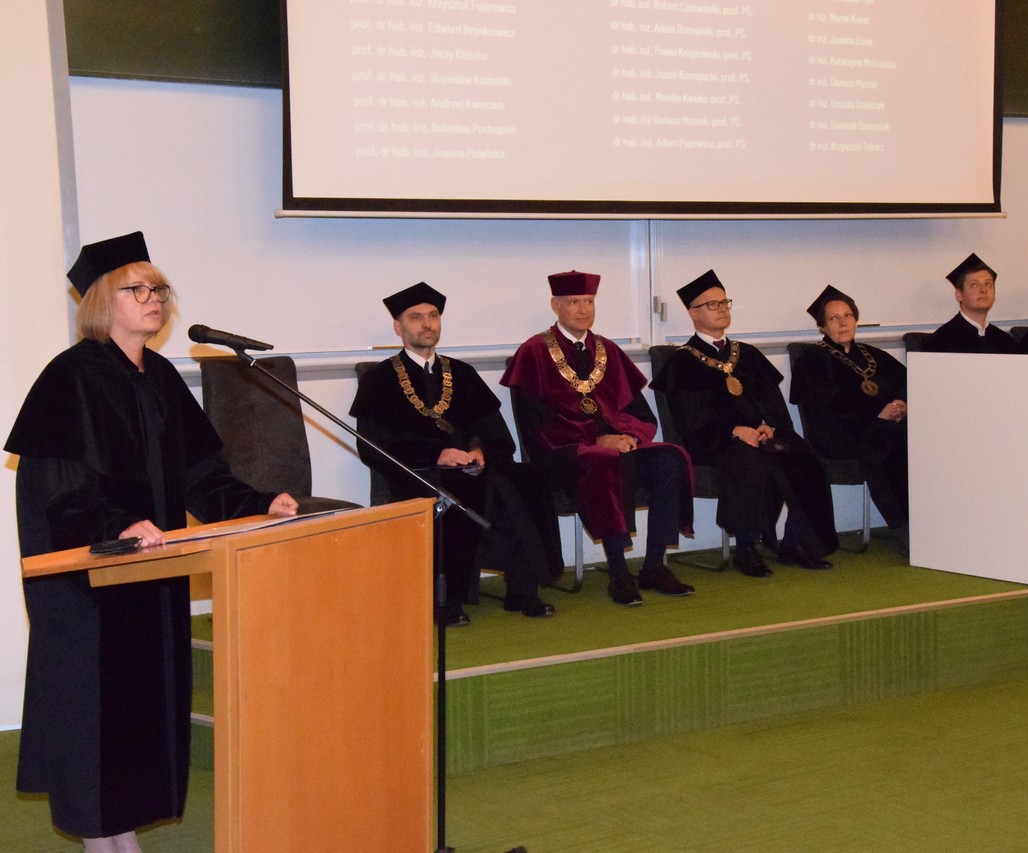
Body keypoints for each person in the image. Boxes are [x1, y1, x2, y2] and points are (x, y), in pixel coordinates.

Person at [5, 232, 298, 852]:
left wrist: (256, 504)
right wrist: (115, 525)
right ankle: (99, 838)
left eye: (158, 288)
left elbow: (200, 473)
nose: (154, 298)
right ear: (100, 302)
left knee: (144, 702)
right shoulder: (69, 377)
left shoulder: (160, 376)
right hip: (90, 582)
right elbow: (55, 487)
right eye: (136, 289)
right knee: (96, 706)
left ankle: (125, 831)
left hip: (152, 569)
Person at [349, 281, 558, 624]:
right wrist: (436, 455)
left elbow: (497, 435)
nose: (427, 324)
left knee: (528, 479)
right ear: (398, 327)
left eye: (433, 316)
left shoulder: (462, 373)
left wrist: (479, 451)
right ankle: (446, 599)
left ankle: (523, 588)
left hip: (473, 468)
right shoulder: (379, 379)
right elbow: (373, 447)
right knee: (458, 489)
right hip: (418, 472)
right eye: (416, 317)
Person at [500, 270, 695, 606]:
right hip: (563, 455)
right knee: (602, 460)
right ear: (555, 305)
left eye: (589, 302)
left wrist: (627, 436)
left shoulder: (608, 350)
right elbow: (536, 428)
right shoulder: (534, 352)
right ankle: (619, 573)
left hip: (614, 448)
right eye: (574, 302)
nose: (583, 309)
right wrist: (595, 441)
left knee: (670, 458)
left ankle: (653, 566)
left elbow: (641, 413)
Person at [650, 270, 839, 576]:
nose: (722, 309)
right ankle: (746, 547)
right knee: (751, 462)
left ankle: (796, 542)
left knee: (805, 456)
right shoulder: (682, 362)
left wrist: (769, 426)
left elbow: (773, 404)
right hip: (713, 442)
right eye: (712, 304)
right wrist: (733, 431)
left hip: (759, 435)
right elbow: (689, 419)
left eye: (724, 302)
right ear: (693, 313)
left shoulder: (747, 354)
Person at [790, 286, 909, 537]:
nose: (843, 323)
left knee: (914, 435)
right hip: (838, 433)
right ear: (823, 327)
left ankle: (930, 516)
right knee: (891, 439)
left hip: (885, 425)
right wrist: (877, 416)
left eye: (848, 316)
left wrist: (902, 404)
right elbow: (824, 406)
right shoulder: (811, 359)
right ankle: (905, 525)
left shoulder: (874, 355)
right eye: (834, 318)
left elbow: (909, 381)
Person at [922, 252, 1019, 353]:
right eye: (974, 285)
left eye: (988, 284)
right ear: (959, 295)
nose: (983, 290)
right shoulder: (940, 342)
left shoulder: (1005, 342)